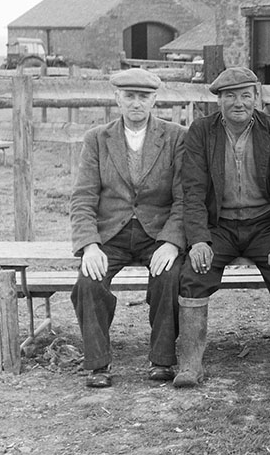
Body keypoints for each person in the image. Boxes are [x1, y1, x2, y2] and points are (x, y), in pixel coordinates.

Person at [175, 67, 270, 389]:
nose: (239, 103)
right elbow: (192, 190)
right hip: (219, 226)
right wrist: (199, 240)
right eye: (230, 96)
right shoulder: (201, 131)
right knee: (194, 273)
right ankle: (190, 366)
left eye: (246, 95)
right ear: (218, 100)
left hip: (264, 225)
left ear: (256, 98)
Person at [70, 68, 186, 388]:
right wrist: (90, 246)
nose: (136, 103)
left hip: (156, 232)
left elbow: (185, 197)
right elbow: (83, 197)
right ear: (117, 98)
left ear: (154, 100)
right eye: (129, 96)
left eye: (143, 97)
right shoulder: (97, 138)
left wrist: (172, 242)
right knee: (88, 282)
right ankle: (98, 364)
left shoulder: (176, 136)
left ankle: (162, 359)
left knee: (170, 276)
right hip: (111, 233)